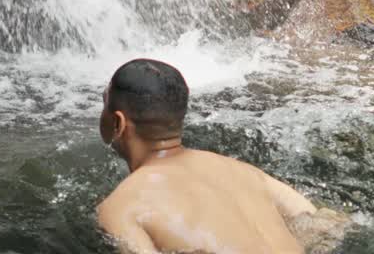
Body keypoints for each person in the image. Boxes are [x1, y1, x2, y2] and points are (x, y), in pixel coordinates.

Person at [96, 59, 349, 254]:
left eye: (104, 102)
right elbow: (328, 224)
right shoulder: (243, 171)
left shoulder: (122, 207)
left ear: (118, 123)